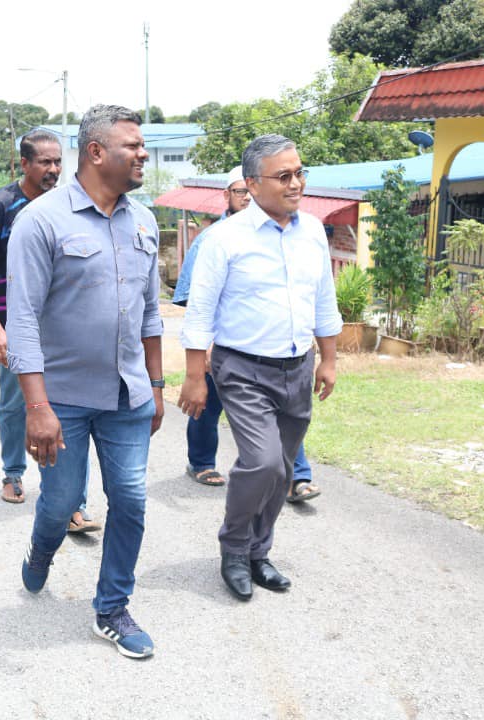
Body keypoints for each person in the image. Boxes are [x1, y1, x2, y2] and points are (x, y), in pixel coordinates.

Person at [7, 105, 164, 659]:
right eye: (133, 146)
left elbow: (150, 313)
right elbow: (22, 319)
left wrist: (157, 385)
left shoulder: (144, 221)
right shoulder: (41, 221)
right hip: (63, 399)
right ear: (96, 152)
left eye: (143, 146)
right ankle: (41, 550)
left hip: (128, 396)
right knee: (60, 502)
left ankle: (112, 607)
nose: (143, 154)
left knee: (131, 499)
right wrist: (36, 406)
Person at [178, 134, 341, 602]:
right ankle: (233, 549)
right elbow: (199, 312)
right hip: (243, 368)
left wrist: (328, 358)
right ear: (252, 183)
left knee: (284, 469)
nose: (296, 183)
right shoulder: (224, 238)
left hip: (297, 367)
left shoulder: (311, 230)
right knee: (262, 461)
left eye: (300, 173)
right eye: (284, 175)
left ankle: (257, 552)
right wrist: (194, 378)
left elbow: (323, 300)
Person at [0, 130, 99, 532]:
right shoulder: (2, 206)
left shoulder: (71, 204)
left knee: (69, 411)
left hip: (64, 330)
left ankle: (74, 502)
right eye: (45, 163)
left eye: (58, 162)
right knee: (15, 403)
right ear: (24, 164)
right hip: (13, 327)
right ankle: (12, 472)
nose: (54, 170)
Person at [172, 168, 320, 500]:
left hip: (277, 352)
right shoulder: (214, 238)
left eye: (248, 191)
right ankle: (201, 462)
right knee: (206, 406)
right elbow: (196, 302)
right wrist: (205, 348)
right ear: (228, 196)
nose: (245, 197)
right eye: (239, 192)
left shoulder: (292, 231)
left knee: (284, 415)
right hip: (225, 348)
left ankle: (297, 476)